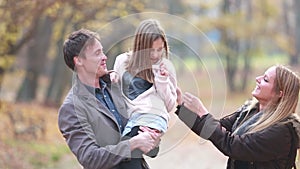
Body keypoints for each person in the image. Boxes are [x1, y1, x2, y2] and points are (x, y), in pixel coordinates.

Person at [58, 28, 161, 169]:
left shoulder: (115, 86)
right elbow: (90, 158)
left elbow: (137, 124)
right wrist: (133, 144)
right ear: (79, 61)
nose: (104, 57)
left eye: (102, 51)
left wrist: (151, 138)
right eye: (97, 53)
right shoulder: (71, 108)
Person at [176, 65, 300, 169]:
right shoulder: (250, 111)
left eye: (265, 80)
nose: (258, 79)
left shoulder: (282, 131)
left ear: (279, 94)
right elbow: (215, 130)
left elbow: (234, 146)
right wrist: (181, 105)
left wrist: (203, 112)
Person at [111, 19, 177, 169]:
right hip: (131, 120)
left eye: (160, 49)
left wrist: (162, 80)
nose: (155, 54)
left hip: (152, 118)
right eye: (150, 50)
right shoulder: (121, 61)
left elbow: (170, 105)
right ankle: (148, 144)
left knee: (124, 153)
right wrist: (112, 79)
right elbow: (117, 94)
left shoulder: (165, 67)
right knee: (122, 156)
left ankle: (149, 141)